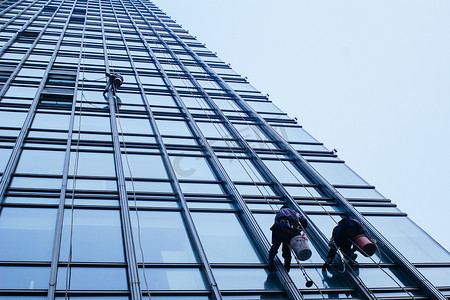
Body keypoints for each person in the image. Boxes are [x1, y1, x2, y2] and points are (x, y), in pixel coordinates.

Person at [268, 205, 308, 272]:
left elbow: (276, 225)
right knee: (286, 249)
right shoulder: (294, 213)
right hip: (290, 232)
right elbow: (304, 221)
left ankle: (270, 262)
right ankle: (287, 266)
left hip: (280, 229)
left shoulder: (280, 212)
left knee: (275, 246)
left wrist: (274, 241)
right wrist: (298, 230)